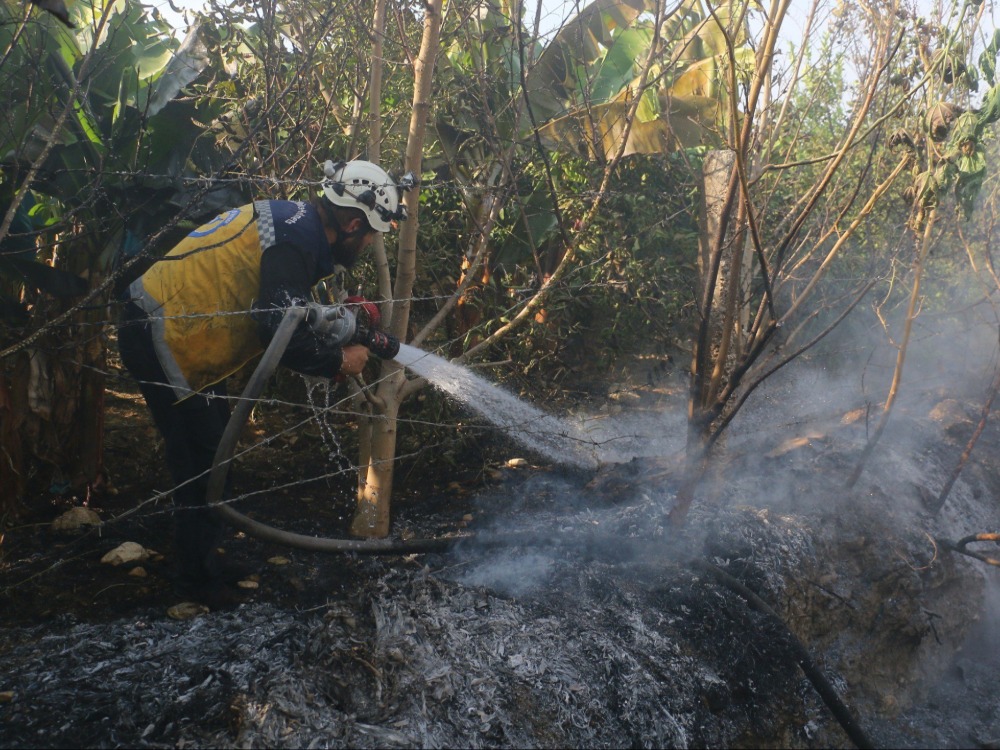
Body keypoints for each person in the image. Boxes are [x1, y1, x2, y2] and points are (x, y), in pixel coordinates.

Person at [117, 159, 407, 608]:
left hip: (178, 333)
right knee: (201, 460)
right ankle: (195, 583)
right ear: (352, 223)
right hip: (161, 334)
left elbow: (287, 309)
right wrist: (338, 360)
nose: (369, 243)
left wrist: (345, 325)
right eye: (370, 233)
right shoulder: (296, 243)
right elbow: (278, 331)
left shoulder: (298, 225)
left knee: (214, 456)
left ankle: (205, 562)